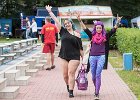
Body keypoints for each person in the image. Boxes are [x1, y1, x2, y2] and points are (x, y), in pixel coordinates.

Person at [76, 13, 122, 100]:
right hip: (92, 57)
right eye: (97, 28)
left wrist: (118, 22)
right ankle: (97, 87)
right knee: (93, 76)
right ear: (95, 28)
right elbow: (85, 28)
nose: (99, 29)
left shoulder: (106, 36)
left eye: (100, 28)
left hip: (101, 56)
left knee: (98, 74)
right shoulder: (92, 35)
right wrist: (79, 20)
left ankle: (96, 92)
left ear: (102, 28)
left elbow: (113, 30)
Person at [45, 5, 83, 98]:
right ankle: (68, 85)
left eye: (68, 23)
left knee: (71, 73)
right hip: (64, 56)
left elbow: (80, 48)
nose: (66, 25)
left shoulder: (77, 34)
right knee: (65, 76)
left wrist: (84, 60)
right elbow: (56, 21)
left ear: (71, 23)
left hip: (75, 56)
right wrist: (50, 12)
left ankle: (71, 91)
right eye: (65, 24)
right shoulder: (62, 31)